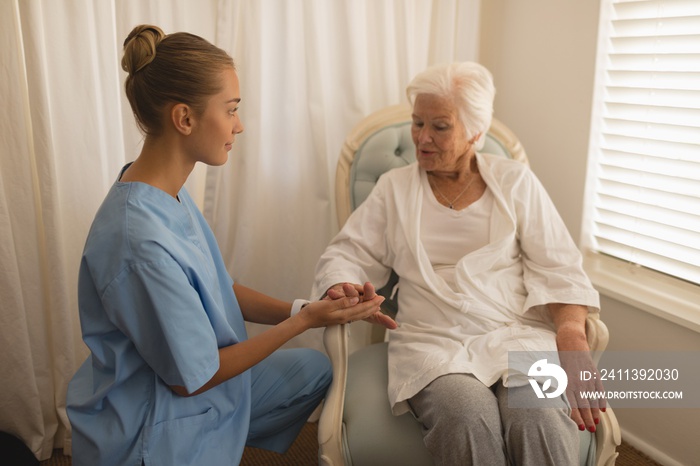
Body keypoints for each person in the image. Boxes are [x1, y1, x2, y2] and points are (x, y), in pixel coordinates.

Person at [66, 24, 386, 466]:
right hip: (155, 418)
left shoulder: (162, 192)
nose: (240, 125)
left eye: (238, 111)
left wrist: (305, 310)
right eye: (231, 109)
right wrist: (307, 319)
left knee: (315, 370)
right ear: (184, 118)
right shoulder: (138, 240)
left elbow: (217, 289)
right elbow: (191, 379)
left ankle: (220, 430)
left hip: (192, 377)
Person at [312, 62, 604, 465]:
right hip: (433, 338)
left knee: (538, 416)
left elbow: (560, 266)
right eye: (417, 123)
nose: (422, 138)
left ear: (476, 133)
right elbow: (349, 253)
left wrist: (572, 334)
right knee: (465, 415)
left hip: (514, 333)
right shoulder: (393, 188)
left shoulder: (515, 181)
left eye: (440, 126)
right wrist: (342, 284)